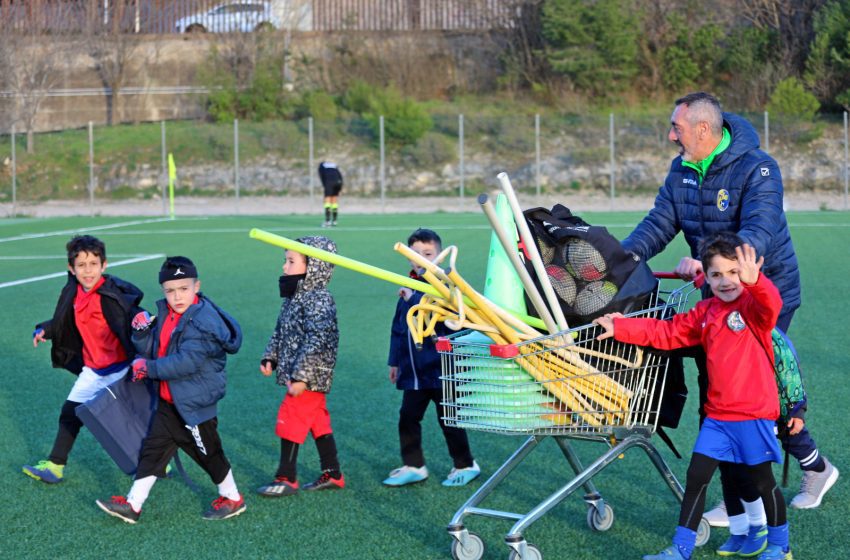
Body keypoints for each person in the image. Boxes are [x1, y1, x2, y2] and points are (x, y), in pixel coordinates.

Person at [621, 91, 837, 527]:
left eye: (676, 128)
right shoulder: (681, 169)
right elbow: (659, 223)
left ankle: (812, 467)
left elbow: (759, 229)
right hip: (715, 295)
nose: (670, 136)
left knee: (753, 396)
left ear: (703, 129)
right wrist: (619, 259)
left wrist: (712, 263)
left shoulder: (758, 167)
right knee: (717, 397)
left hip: (764, 297)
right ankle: (737, 501)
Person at [595, 233, 792, 560]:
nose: (726, 281)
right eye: (717, 274)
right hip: (717, 418)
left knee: (761, 482)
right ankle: (680, 549)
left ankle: (778, 546)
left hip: (753, 416)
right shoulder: (705, 312)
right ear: (708, 279)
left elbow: (772, 305)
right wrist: (622, 328)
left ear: (744, 275)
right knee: (697, 477)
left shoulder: (754, 309)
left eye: (733, 273)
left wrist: (756, 283)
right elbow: (667, 333)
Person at [96, 256, 245, 523]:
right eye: (170, 290)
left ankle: (233, 497)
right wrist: (141, 333)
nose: (177, 296)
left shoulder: (203, 321)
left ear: (196, 286)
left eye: (183, 289)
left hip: (194, 404)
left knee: (209, 454)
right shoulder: (166, 313)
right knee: (153, 451)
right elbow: (155, 349)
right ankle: (133, 505)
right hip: (170, 400)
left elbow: (187, 362)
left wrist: (148, 369)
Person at [24, 235, 145, 484]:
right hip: (93, 369)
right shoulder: (73, 292)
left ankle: (155, 463)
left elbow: (131, 312)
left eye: (93, 264)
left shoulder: (111, 294)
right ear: (72, 268)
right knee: (70, 413)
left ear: (104, 265)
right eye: (81, 265)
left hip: (121, 368)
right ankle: (55, 466)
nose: (87, 271)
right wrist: (45, 330)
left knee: (129, 419)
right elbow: (63, 320)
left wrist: (142, 319)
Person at [383, 228, 480, 487]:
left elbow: (448, 320)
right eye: (415, 254)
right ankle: (414, 465)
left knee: (448, 420)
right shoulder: (408, 285)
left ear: (439, 255)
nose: (421, 258)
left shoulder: (446, 286)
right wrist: (394, 361)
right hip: (414, 371)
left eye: (428, 253)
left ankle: (466, 464)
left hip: (440, 368)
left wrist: (414, 297)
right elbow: (398, 327)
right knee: (407, 417)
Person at [256, 236, 345, 497]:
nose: (284, 267)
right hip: (300, 373)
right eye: (285, 260)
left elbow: (318, 340)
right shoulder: (295, 297)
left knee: (291, 418)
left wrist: (301, 376)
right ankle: (333, 473)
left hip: (310, 375)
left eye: (291, 261)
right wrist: (270, 356)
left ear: (314, 267)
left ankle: (286, 477)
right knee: (318, 422)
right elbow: (281, 330)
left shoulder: (319, 300)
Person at [319, 161, 343, 227]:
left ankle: (327, 221)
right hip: (338, 182)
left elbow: (322, 176)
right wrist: (340, 187)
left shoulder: (321, 166)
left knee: (327, 200)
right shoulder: (334, 165)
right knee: (334, 200)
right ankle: (335, 221)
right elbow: (340, 176)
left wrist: (325, 186)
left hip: (329, 182)